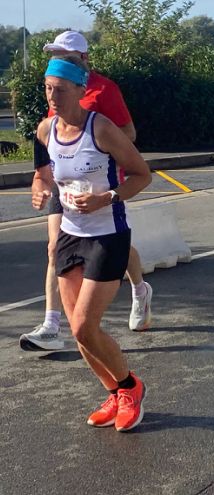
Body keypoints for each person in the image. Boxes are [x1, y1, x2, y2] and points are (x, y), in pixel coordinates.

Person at [33, 55, 151, 431]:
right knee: (78, 332)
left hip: (107, 235)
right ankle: (114, 392)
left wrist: (107, 197)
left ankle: (130, 388)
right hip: (70, 235)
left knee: (86, 326)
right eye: (48, 88)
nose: (52, 97)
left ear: (80, 90)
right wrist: (40, 187)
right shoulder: (45, 130)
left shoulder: (101, 129)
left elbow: (142, 175)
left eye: (60, 90)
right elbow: (43, 173)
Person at [20, 31, 153, 352]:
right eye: (55, 53)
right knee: (54, 247)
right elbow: (46, 140)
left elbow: (129, 133)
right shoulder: (56, 84)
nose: (58, 58)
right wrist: (41, 182)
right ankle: (51, 325)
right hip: (64, 182)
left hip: (98, 179)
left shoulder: (104, 89)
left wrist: (94, 142)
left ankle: (139, 289)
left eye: (65, 53)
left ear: (84, 58)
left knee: (117, 245)